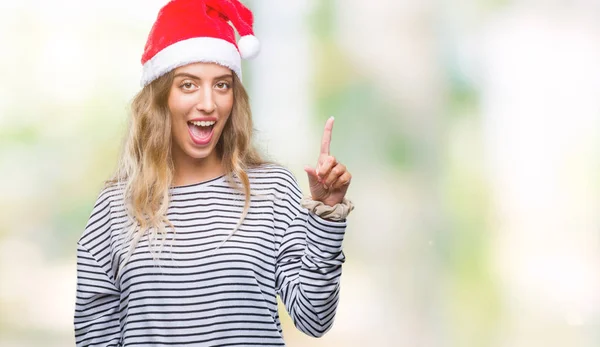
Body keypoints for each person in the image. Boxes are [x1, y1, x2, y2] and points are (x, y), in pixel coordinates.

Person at [73, 0, 354, 346]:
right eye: (188, 85)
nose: (208, 103)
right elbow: (95, 336)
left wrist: (326, 216)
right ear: (161, 99)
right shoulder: (116, 206)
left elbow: (314, 319)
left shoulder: (273, 190)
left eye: (222, 85)